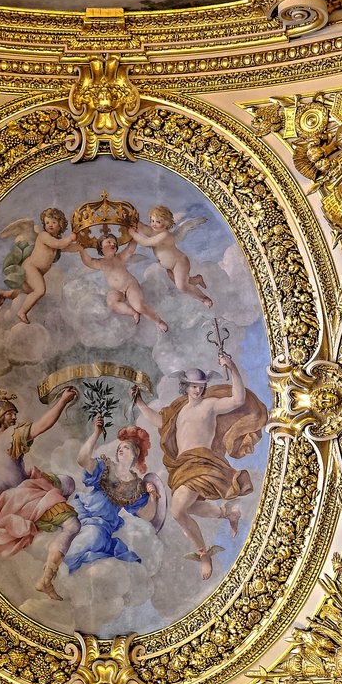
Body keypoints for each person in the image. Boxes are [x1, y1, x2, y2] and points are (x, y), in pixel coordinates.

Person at [132, 352, 267, 578]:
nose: (198, 390)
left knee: (176, 511)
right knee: (190, 508)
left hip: (202, 462)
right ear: (185, 386)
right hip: (183, 465)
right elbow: (159, 421)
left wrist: (232, 367)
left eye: (201, 386)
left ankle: (204, 555)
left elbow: (237, 400)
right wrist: (139, 402)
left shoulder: (210, 405)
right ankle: (227, 514)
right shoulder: (178, 410)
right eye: (193, 386)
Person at [0, 388, 82, 600]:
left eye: (14, 413)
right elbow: (43, 425)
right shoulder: (13, 435)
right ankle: (46, 580)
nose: (14, 417)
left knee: (67, 482)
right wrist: (63, 400)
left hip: (4, 505)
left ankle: (49, 517)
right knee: (73, 525)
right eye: (9, 414)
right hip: (23, 499)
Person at [66, 417, 163, 573]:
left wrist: (152, 497)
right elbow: (82, 459)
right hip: (80, 510)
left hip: (100, 525)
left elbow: (147, 515)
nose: (121, 449)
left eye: (126, 447)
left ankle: (57, 573)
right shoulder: (106, 466)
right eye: (120, 447)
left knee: (85, 542)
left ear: (135, 454)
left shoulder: (136, 487)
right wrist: (96, 433)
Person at [0, 208, 78, 324]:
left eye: (54, 222)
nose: (50, 225)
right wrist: (70, 238)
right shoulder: (44, 236)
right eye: (47, 222)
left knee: (22, 291)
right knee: (40, 290)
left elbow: (68, 248)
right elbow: (59, 244)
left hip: (37, 271)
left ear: (60, 225)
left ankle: (4, 294)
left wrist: (81, 247)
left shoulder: (57, 240)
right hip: (31, 267)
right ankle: (22, 312)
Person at [77, 233, 167, 332]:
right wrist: (81, 250)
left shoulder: (120, 257)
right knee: (111, 302)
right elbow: (88, 262)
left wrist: (134, 236)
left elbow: (130, 249)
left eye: (115, 243)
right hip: (117, 289)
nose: (113, 244)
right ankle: (132, 313)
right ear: (101, 247)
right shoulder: (100, 262)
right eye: (109, 242)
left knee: (139, 306)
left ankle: (158, 321)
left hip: (130, 285)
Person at [123, 206, 211, 307]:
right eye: (152, 220)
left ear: (166, 224)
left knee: (182, 286)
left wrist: (133, 233)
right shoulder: (153, 231)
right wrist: (133, 222)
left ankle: (204, 298)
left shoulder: (164, 235)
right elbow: (142, 227)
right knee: (184, 282)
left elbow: (146, 242)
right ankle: (198, 279)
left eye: (158, 222)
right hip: (169, 268)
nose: (154, 224)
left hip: (179, 263)